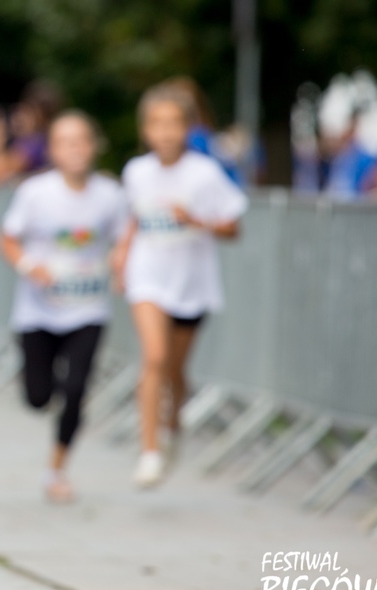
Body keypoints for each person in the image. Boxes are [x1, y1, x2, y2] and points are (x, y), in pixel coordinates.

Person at [112, 83, 247, 487]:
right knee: (154, 357)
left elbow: (233, 226)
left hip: (191, 282)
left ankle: (172, 422)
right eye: (157, 123)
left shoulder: (205, 174)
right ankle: (149, 450)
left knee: (174, 368)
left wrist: (197, 221)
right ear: (145, 129)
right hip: (148, 275)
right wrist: (122, 256)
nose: (166, 132)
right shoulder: (136, 172)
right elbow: (133, 219)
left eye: (174, 123)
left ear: (188, 128)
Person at [0, 111, 129, 503]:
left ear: (94, 146)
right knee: (38, 397)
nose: (75, 149)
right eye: (65, 142)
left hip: (88, 309)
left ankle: (57, 469)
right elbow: (8, 239)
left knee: (76, 388)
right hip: (38, 311)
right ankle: (36, 380)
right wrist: (29, 266)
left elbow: (125, 236)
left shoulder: (110, 194)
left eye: (82, 140)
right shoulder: (35, 192)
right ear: (53, 150)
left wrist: (121, 262)